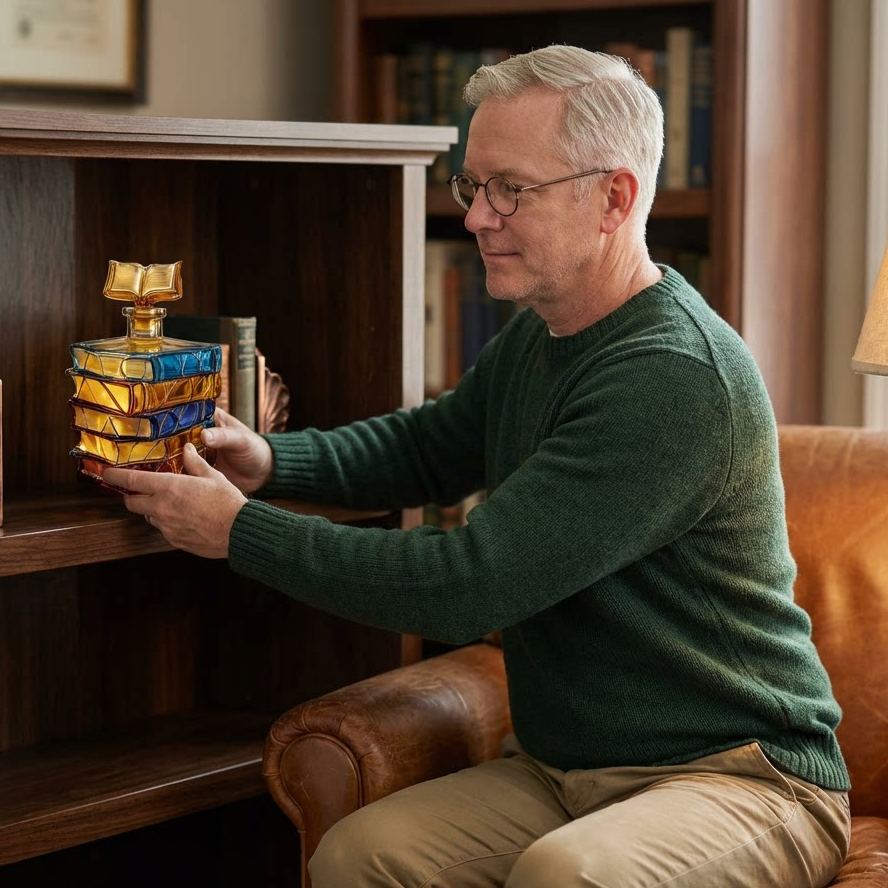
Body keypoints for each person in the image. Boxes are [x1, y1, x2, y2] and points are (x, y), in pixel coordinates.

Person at [104, 45, 851, 888]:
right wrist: (273, 460)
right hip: (561, 772)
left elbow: (472, 583)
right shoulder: (544, 329)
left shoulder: (672, 376)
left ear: (614, 197)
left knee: (569, 877)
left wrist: (240, 534)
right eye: (472, 185)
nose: (476, 217)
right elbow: (429, 447)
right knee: (358, 855)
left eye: (510, 190)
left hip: (742, 778)